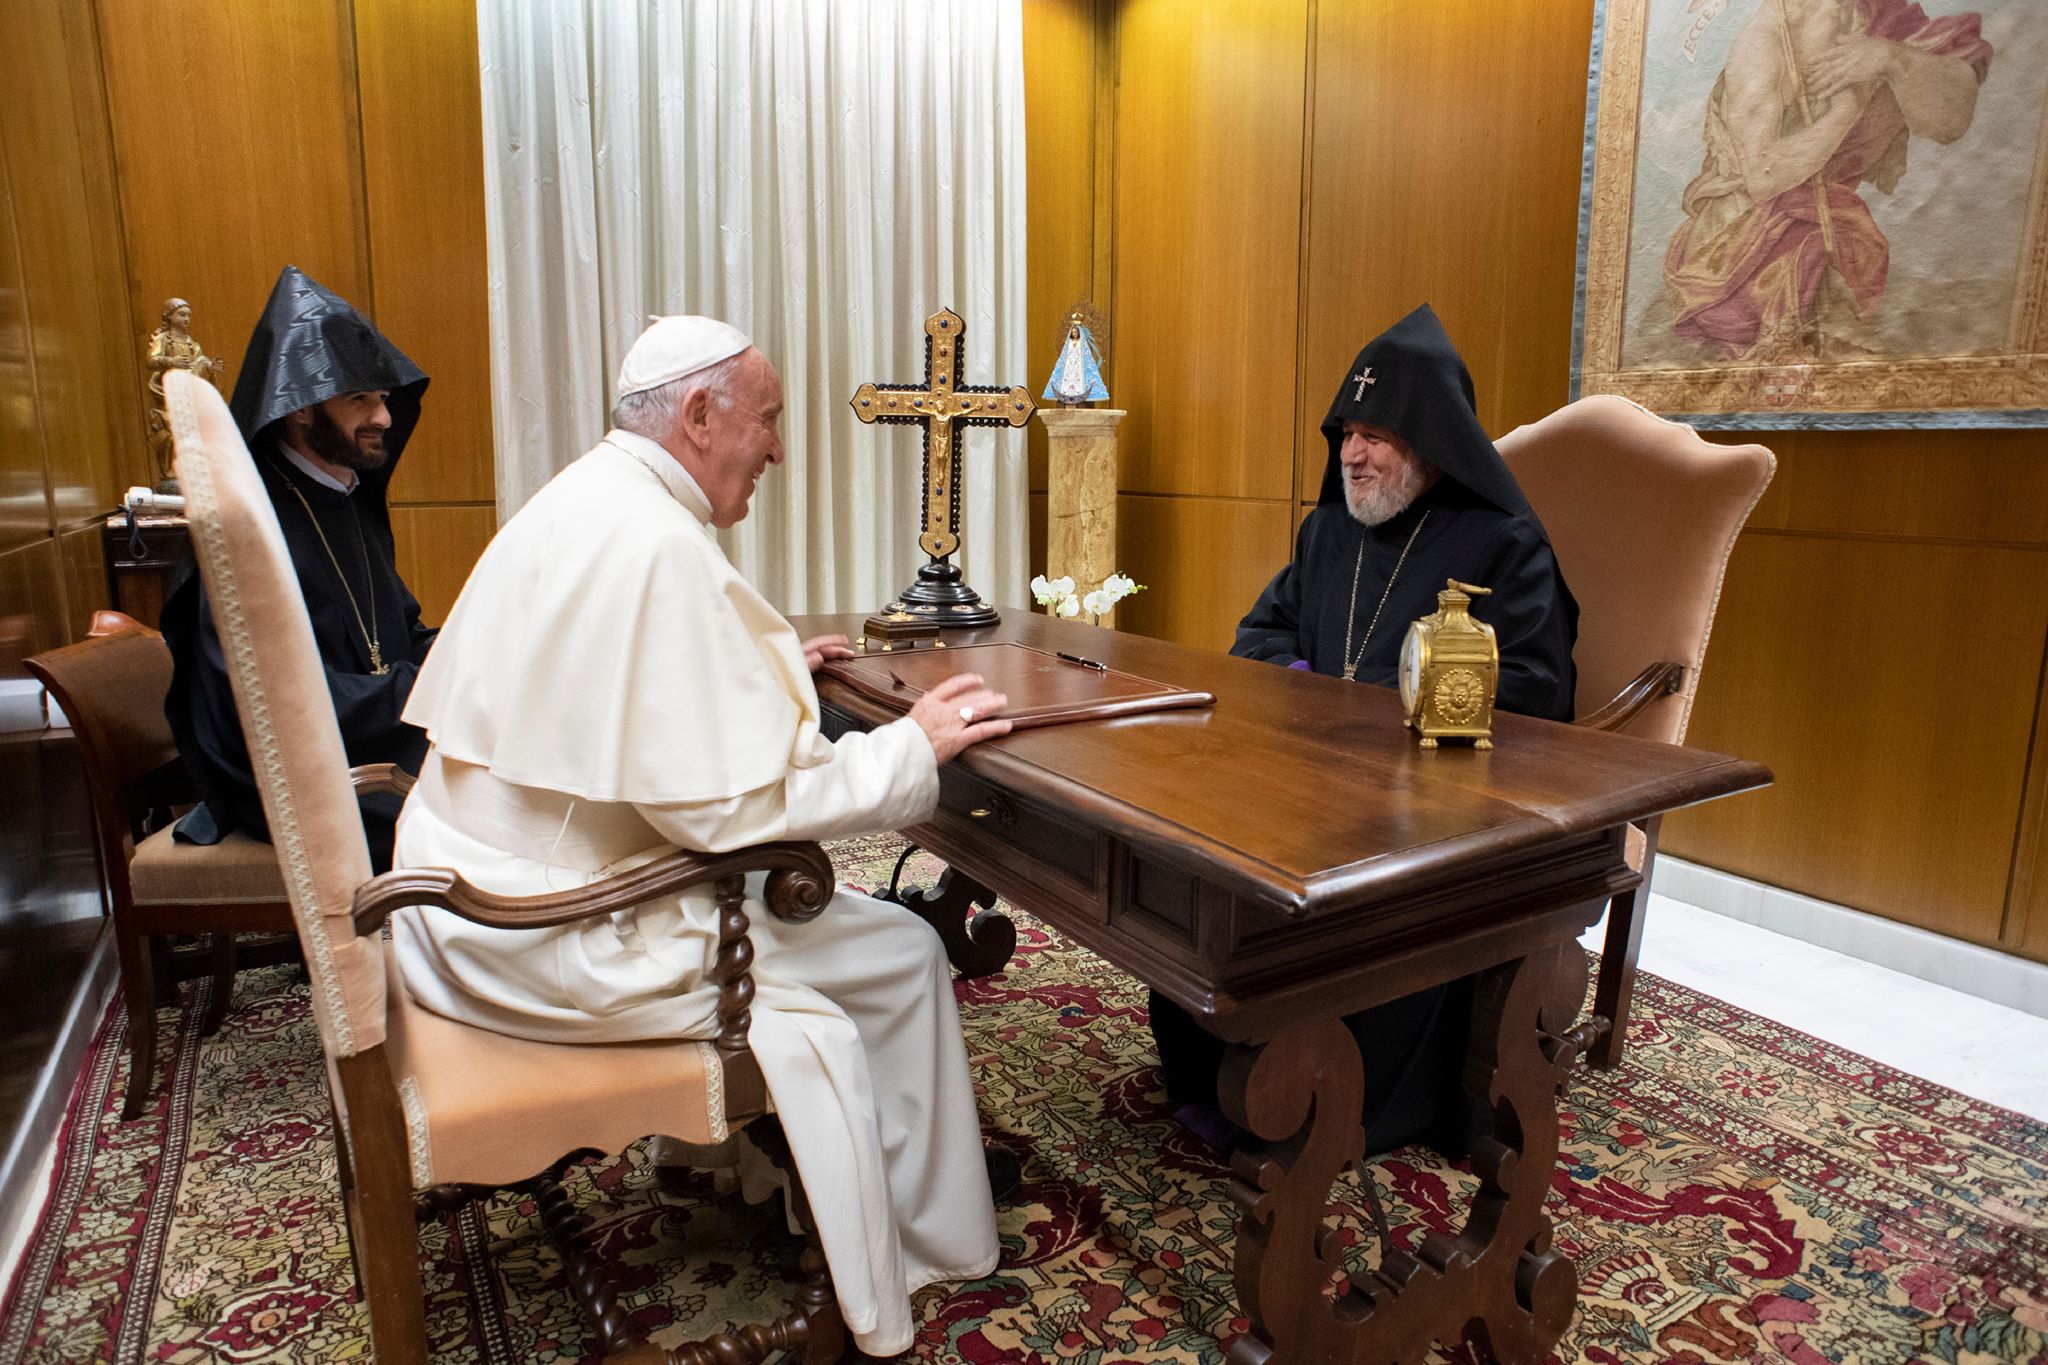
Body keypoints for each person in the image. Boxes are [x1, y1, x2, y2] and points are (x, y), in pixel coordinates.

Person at [388, 316, 1014, 1359]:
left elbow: (617, 693)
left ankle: (757, 1168)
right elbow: (736, 811)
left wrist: (755, 663)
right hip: (548, 934)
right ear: (695, 413)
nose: (776, 449)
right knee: (902, 949)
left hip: (466, 898)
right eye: (765, 421)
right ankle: (917, 1240)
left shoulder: (592, 496)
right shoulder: (652, 541)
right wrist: (915, 743)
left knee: (849, 934)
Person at [1150, 303, 1578, 1156]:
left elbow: (1534, 692)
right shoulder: (1328, 532)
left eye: (1378, 433)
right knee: (1191, 887)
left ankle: (1338, 1101)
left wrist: (1367, 712)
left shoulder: (1503, 545)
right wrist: (1309, 694)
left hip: (1432, 816)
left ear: (1431, 440)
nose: (1353, 451)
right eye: (1347, 429)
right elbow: (1259, 638)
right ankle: (1225, 1070)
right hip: (1306, 790)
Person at [163, 265, 438, 873]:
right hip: (292, 780)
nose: (384, 419)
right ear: (300, 412)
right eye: (358, 399)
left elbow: (402, 632)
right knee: (482, 813)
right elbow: (273, 700)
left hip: (359, 742)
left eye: (384, 398)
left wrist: (479, 651)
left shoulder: (341, 496)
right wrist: (434, 691)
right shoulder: (251, 528)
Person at [1663, 0, 1991, 360]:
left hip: (1828, 228)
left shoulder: (1883, 20)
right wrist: (1846, 111)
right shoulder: (1770, 34)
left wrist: (1893, 59)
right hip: (1745, 250)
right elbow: (1764, 176)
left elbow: (1949, 123)